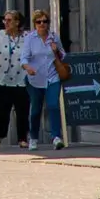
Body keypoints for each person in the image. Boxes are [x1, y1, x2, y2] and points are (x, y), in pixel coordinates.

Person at [21, 9, 66, 150]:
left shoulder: (54, 37)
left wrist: (56, 51)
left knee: (53, 106)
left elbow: (63, 55)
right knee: (35, 110)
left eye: (45, 21)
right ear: (34, 24)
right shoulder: (30, 38)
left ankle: (56, 137)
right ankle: (33, 138)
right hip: (35, 79)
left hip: (52, 77)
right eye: (38, 22)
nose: (42, 24)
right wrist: (28, 67)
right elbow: (23, 57)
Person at [0, 10, 32, 150]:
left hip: (21, 78)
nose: (6, 23)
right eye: (4, 20)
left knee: (22, 110)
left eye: (9, 20)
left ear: (17, 22)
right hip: (3, 78)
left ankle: (22, 138)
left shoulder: (27, 36)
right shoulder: (0, 35)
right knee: (3, 109)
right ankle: (0, 134)